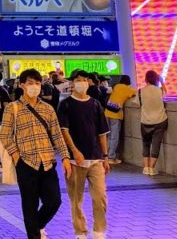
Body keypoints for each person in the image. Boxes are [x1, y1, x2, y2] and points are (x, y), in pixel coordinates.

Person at [1, 69, 73, 239]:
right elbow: (5, 135)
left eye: (38, 83)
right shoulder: (13, 108)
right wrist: (16, 156)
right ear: (22, 85)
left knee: (54, 201)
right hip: (26, 163)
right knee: (29, 206)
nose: (35, 86)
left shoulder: (48, 108)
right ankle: (34, 234)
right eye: (30, 83)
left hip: (48, 162)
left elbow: (57, 135)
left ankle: (37, 226)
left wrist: (65, 157)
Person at [58, 70, 110, 239]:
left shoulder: (95, 104)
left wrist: (105, 156)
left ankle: (99, 231)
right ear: (72, 83)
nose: (82, 83)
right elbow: (64, 130)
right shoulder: (65, 104)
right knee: (76, 200)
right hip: (75, 161)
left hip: (95, 159)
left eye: (85, 80)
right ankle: (80, 232)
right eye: (78, 80)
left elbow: (102, 133)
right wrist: (74, 151)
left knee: (100, 196)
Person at [138, 70, 168, 176]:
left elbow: (137, 103)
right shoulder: (159, 90)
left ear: (146, 79)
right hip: (160, 120)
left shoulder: (140, 91)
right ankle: (152, 168)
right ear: (156, 79)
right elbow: (166, 94)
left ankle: (146, 168)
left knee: (146, 144)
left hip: (145, 121)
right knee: (156, 144)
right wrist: (162, 82)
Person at [105, 75, 136, 164]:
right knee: (115, 137)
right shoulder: (128, 89)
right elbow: (136, 94)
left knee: (109, 136)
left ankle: (106, 156)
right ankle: (111, 157)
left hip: (107, 112)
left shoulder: (117, 86)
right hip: (115, 114)